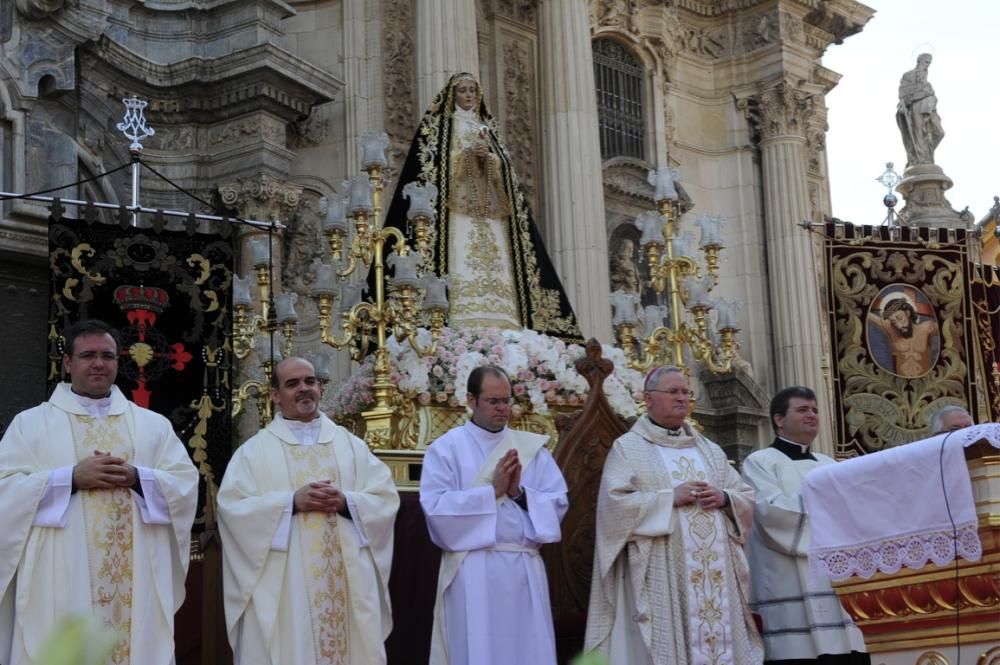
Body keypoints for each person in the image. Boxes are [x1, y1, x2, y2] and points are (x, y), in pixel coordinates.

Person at [0, 318, 199, 664]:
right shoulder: (31, 424)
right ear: (67, 363)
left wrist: (138, 477)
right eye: (88, 355)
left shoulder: (152, 426)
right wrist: (70, 478)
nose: (98, 363)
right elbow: (6, 490)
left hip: (136, 575)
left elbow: (185, 484)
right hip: (61, 573)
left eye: (107, 356)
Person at [218, 357, 399, 665]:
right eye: (292, 384)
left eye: (310, 381)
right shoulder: (254, 452)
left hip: (345, 581)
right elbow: (233, 509)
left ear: (319, 386)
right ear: (275, 395)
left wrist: (346, 501)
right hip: (287, 588)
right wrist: (290, 502)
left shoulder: (351, 445)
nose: (304, 389)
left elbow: (385, 498)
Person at [383, 71, 582, 342]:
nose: (468, 95)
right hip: (455, 213)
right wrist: (465, 155)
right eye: (463, 90)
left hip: (489, 212)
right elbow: (429, 168)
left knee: (498, 258)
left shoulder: (488, 129)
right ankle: (457, 313)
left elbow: (506, 174)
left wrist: (489, 159)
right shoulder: (440, 126)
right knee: (462, 253)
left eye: (472, 91)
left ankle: (503, 316)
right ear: (452, 95)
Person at [585, 366, 762, 665]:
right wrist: (669, 499)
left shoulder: (710, 450)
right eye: (673, 392)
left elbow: (745, 495)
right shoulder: (629, 448)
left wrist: (724, 498)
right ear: (648, 398)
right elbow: (613, 506)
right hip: (662, 570)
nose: (682, 398)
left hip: (716, 575)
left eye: (685, 392)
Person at [419, 365, 568, 665]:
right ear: (471, 401)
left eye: (507, 400)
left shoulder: (532, 450)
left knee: (528, 652)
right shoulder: (446, 449)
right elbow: (436, 509)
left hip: (523, 567)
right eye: (493, 401)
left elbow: (558, 503)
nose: (503, 409)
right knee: (479, 652)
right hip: (474, 568)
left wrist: (518, 494)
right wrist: (492, 492)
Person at [741, 386, 869, 665]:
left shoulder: (829, 464)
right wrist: (829, 511)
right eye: (802, 409)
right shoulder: (759, 462)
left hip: (835, 580)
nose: (812, 415)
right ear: (779, 419)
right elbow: (771, 514)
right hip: (788, 583)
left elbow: (851, 513)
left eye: (815, 410)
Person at [866, 295, 939, 377]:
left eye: (900, 318)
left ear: (907, 313)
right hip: (900, 384)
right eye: (894, 322)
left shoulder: (927, 328)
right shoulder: (892, 330)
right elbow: (868, 315)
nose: (899, 326)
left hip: (924, 383)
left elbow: (948, 327)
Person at [896, 53, 944, 168]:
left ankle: (925, 154)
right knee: (918, 133)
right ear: (919, 61)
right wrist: (921, 93)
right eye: (926, 62)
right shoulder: (908, 75)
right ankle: (920, 159)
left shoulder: (928, 84)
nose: (927, 65)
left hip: (929, 110)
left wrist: (931, 98)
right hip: (915, 107)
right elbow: (903, 93)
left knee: (939, 133)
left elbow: (933, 96)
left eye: (929, 63)